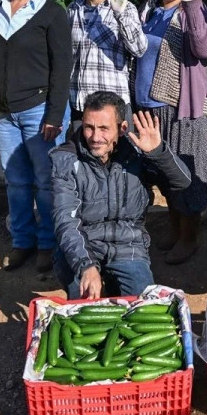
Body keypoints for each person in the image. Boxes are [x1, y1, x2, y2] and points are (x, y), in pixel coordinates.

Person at [0, 0, 72, 274]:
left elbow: (62, 68)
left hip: (38, 109)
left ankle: (48, 243)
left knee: (46, 181)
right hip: (2, 113)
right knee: (15, 181)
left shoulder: (51, 13)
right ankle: (22, 241)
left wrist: (55, 115)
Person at [50, 91, 191, 299]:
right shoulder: (67, 160)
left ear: (122, 129)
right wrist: (87, 265)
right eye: (89, 127)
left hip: (128, 245)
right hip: (83, 245)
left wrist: (158, 152)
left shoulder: (136, 154)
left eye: (104, 128)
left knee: (140, 306)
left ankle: (115, 284)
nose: (95, 137)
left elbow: (182, 182)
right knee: (83, 306)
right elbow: (65, 221)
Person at [133, 0, 207, 265]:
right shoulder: (148, 11)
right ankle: (174, 228)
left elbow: (206, 49)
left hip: (183, 109)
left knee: (188, 175)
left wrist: (194, 6)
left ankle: (189, 237)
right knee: (165, 174)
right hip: (150, 108)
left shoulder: (192, 11)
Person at [67, 0, 146, 125]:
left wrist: (120, 14)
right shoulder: (74, 9)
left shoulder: (125, 7)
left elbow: (139, 49)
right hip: (81, 105)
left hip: (113, 107)